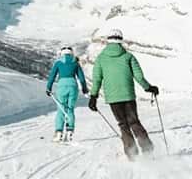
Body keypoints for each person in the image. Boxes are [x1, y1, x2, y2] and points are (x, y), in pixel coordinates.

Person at [88, 29, 160, 160]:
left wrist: (93, 97)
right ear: (121, 40)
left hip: (113, 98)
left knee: (123, 124)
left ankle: (132, 154)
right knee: (134, 122)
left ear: (108, 41)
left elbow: (97, 79)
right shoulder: (128, 56)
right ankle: (148, 151)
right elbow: (139, 76)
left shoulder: (101, 58)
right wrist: (148, 88)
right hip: (128, 95)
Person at [46, 46, 88, 142]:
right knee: (70, 109)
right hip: (73, 86)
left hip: (61, 86)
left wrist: (48, 88)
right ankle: (69, 132)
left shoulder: (58, 62)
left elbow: (52, 76)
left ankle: (59, 133)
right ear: (71, 53)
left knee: (61, 109)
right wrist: (85, 89)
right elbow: (81, 78)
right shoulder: (75, 63)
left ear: (61, 53)